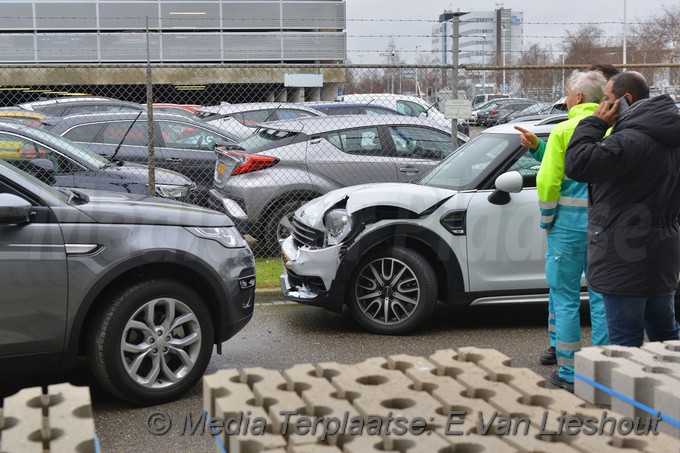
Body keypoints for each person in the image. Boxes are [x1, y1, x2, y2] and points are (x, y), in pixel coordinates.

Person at [564, 71, 680, 347]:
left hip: (625, 257)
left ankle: (628, 392)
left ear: (626, 100)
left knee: (624, 346)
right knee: (666, 335)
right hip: (662, 254)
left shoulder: (630, 140)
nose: (603, 106)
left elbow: (578, 163)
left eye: (607, 99)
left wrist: (593, 123)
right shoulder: (669, 136)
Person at [515, 70, 609, 393]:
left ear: (579, 97)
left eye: (568, 93)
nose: (566, 98)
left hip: (566, 228)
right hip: (604, 228)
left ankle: (568, 372)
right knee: (601, 298)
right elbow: (580, 164)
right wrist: (538, 147)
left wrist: (546, 219)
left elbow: (548, 180)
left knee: (564, 296)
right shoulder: (611, 131)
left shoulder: (564, 130)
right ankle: (603, 369)